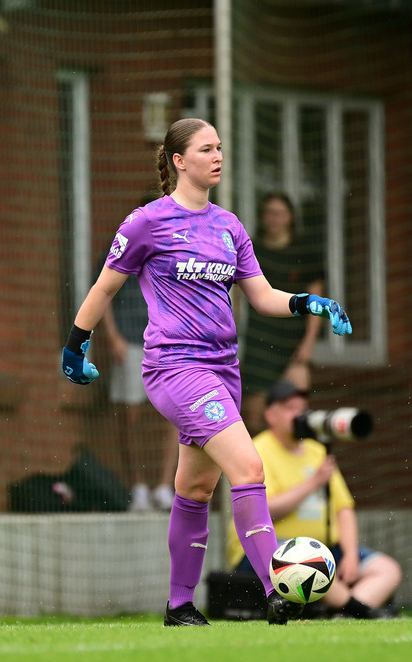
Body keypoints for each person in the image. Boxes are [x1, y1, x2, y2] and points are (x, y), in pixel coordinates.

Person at [61, 118, 353, 627]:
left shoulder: (230, 226)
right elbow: (104, 288)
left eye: (220, 147)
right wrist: (75, 345)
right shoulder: (146, 222)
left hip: (223, 370)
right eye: (205, 149)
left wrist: (310, 302)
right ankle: (277, 591)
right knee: (250, 469)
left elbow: (262, 298)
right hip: (174, 368)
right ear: (179, 161)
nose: (217, 155)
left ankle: (178, 607)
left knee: (196, 490)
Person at [226, 380, 402, 619]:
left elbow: (344, 509)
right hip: (264, 550)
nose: (299, 414)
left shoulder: (317, 450)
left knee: (387, 569)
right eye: (290, 408)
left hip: (325, 548)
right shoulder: (257, 451)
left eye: (302, 407)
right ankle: (362, 612)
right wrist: (313, 482)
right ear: (270, 415)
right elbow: (263, 510)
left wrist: (350, 555)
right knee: (309, 563)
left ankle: (345, 616)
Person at [98, 192, 178, 512]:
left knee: (174, 415)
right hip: (131, 342)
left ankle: (163, 486)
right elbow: (102, 290)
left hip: (171, 343)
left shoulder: (180, 248)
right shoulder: (123, 242)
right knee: (130, 416)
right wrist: (113, 337)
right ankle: (138, 488)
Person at [240, 192, 325, 435]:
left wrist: (308, 345)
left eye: (280, 214)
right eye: (269, 213)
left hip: (293, 344)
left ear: (290, 218)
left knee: (294, 418)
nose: (274, 219)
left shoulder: (305, 253)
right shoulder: (250, 250)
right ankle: (259, 471)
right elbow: (236, 298)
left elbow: (315, 304)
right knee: (255, 418)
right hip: (259, 342)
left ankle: (292, 472)